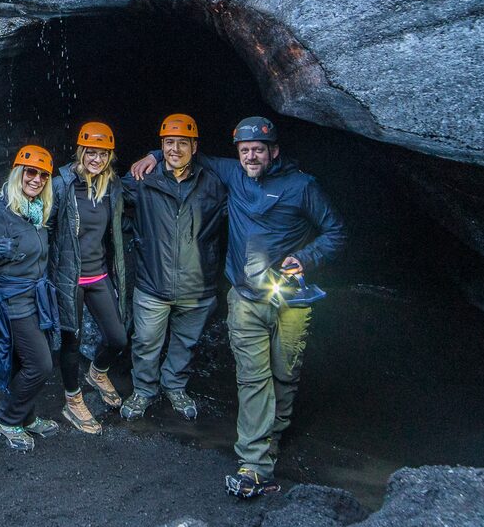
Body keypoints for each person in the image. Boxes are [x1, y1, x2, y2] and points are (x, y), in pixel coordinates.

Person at [131, 116, 345, 499]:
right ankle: (255, 462)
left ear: (273, 152)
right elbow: (184, 155)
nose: (250, 156)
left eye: (258, 150)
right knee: (253, 378)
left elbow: (336, 232)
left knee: (285, 374)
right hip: (246, 297)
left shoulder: (302, 186)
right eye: (244, 150)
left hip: (292, 301)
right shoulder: (232, 172)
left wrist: (307, 257)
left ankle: (273, 435)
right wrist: (151, 153)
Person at [117, 113, 228, 423]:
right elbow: (103, 192)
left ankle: (175, 386)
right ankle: (143, 390)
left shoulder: (214, 183)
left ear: (195, 146)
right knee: (145, 342)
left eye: (182, 143)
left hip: (198, 285)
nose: (174, 149)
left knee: (185, 342)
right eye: (168, 143)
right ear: (161, 145)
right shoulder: (142, 180)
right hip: (154, 282)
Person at [0, 144, 62, 451]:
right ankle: (6, 418)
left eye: (43, 175)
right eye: (31, 172)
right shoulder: (2, 210)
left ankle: (25, 417)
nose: (36, 179)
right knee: (40, 364)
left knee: (22, 361)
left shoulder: (37, 212)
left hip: (33, 299)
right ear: (18, 173)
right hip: (11, 302)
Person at [48, 121, 130, 433]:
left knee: (118, 337)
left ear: (110, 156)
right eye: (90, 153)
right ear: (81, 152)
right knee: (71, 340)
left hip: (98, 275)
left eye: (102, 154)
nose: (96, 159)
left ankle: (97, 372)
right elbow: (46, 225)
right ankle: (73, 401)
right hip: (69, 278)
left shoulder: (113, 185)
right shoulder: (62, 184)